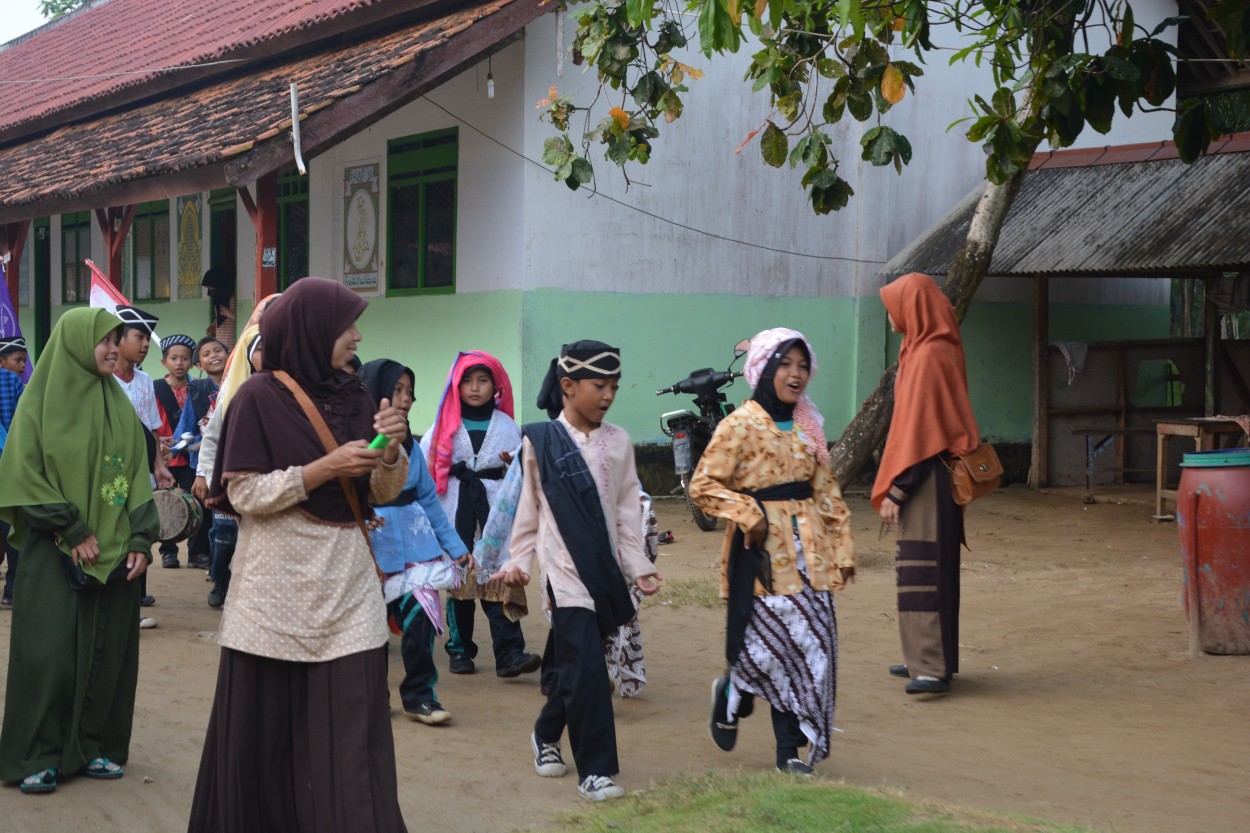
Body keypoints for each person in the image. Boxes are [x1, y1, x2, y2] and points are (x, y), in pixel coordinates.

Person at [189, 278, 410, 833]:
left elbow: (381, 493)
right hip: (274, 589)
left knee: (353, 733)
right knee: (267, 740)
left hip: (348, 584)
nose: (358, 336)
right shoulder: (257, 397)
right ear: (313, 332)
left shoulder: (357, 394)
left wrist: (390, 450)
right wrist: (324, 470)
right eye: (345, 327)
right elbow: (243, 494)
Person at [493, 341, 662, 803]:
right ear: (567, 386)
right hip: (563, 575)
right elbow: (527, 510)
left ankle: (546, 734)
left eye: (614, 386)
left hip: (604, 571)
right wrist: (517, 561)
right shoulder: (539, 441)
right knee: (588, 669)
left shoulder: (620, 442)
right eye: (598, 385)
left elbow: (629, 513)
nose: (608, 395)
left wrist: (638, 565)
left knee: (575, 668)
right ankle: (597, 771)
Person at [0, 308, 158, 794]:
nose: (114, 348)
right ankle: (37, 754)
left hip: (112, 554)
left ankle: (94, 746)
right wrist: (71, 528)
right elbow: (22, 473)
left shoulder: (119, 404)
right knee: (49, 654)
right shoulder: (38, 403)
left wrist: (139, 539)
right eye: (104, 340)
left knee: (106, 653)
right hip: (54, 550)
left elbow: (135, 476)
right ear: (74, 343)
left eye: (117, 339)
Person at [688, 328, 855, 775]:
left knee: (808, 650)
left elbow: (826, 491)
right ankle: (731, 692)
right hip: (760, 559)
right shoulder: (738, 425)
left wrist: (843, 547)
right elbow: (702, 486)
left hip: (811, 559)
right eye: (785, 364)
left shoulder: (808, 425)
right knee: (768, 653)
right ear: (763, 369)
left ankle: (789, 754)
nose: (796, 374)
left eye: (802, 365)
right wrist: (747, 511)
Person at [873, 272, 981, 696]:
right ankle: (929, 658)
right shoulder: (925, 347)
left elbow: (924, 432)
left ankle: (931, 668)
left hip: (928, 477)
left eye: (893, 303)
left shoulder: (930, 354)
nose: (888, 313)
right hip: (932, 476)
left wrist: (898, 489)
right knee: (927, 570)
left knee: (925, 571)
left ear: (912, 306)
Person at [360, 358, 467, 725]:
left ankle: (420, 696)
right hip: (373, 547)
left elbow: (428, 500)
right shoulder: (355, 441)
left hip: (418, 547)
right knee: (370, 629)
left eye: (409, 392)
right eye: (397, 390)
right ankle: (373, 697)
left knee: (422, 618)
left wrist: (455, 547)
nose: (405, 399)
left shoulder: (415, 446)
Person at [420, 351, 539, 678]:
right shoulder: (443, 425)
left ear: (496, 385)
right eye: (468, 381)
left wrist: (510, 458)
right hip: (455, 509)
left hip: (495, 515)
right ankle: (459, 651)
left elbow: (520, 466)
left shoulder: (507, 426)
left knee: (499, 582)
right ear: (456, 386)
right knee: (461, 586)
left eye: (483, 380)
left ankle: (510, 654)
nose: (475, 387)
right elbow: (428, 465)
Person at [113, 305, 170, 621]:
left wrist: (159, 466)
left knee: (140, 529)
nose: (146, 344)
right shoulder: (106, 380)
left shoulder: (146, 380)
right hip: (114, 470)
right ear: (118, 341)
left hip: (142, 470)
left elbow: (152, 428)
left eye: (148, 338)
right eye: (139, 337)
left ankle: (137, 599)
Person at [153, 334, 212, 570]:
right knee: (165, 504)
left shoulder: (197, 389)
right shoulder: (156, 388)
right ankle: (168, 551)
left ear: (192, 362)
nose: (179, 363)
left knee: (198, 502)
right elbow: (153, 420)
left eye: (185, 358)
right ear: (164, 362)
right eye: (174, 358)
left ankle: (197, 552)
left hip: (191, 457)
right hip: (165, 456)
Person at [0, 335, 28, 607]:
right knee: (13, 531)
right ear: (2, 360)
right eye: (18, 360)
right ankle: (12, 590)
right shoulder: (14, 384)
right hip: (12, 468)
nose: (22, 366)